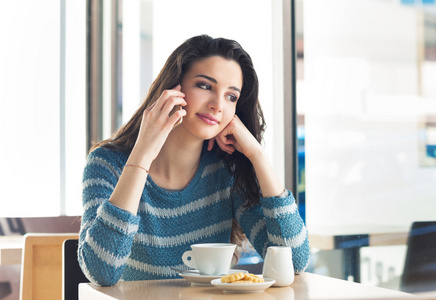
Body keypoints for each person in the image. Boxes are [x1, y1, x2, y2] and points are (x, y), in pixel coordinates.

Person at [78, 34, 310, 286]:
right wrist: (143, 153)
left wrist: (258, 156)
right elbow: (101, 271)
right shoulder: (106, 164)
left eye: (231, 96)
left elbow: (295, 261)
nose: (218, 105)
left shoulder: (226, 172)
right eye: (205, 86)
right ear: (173, 88)